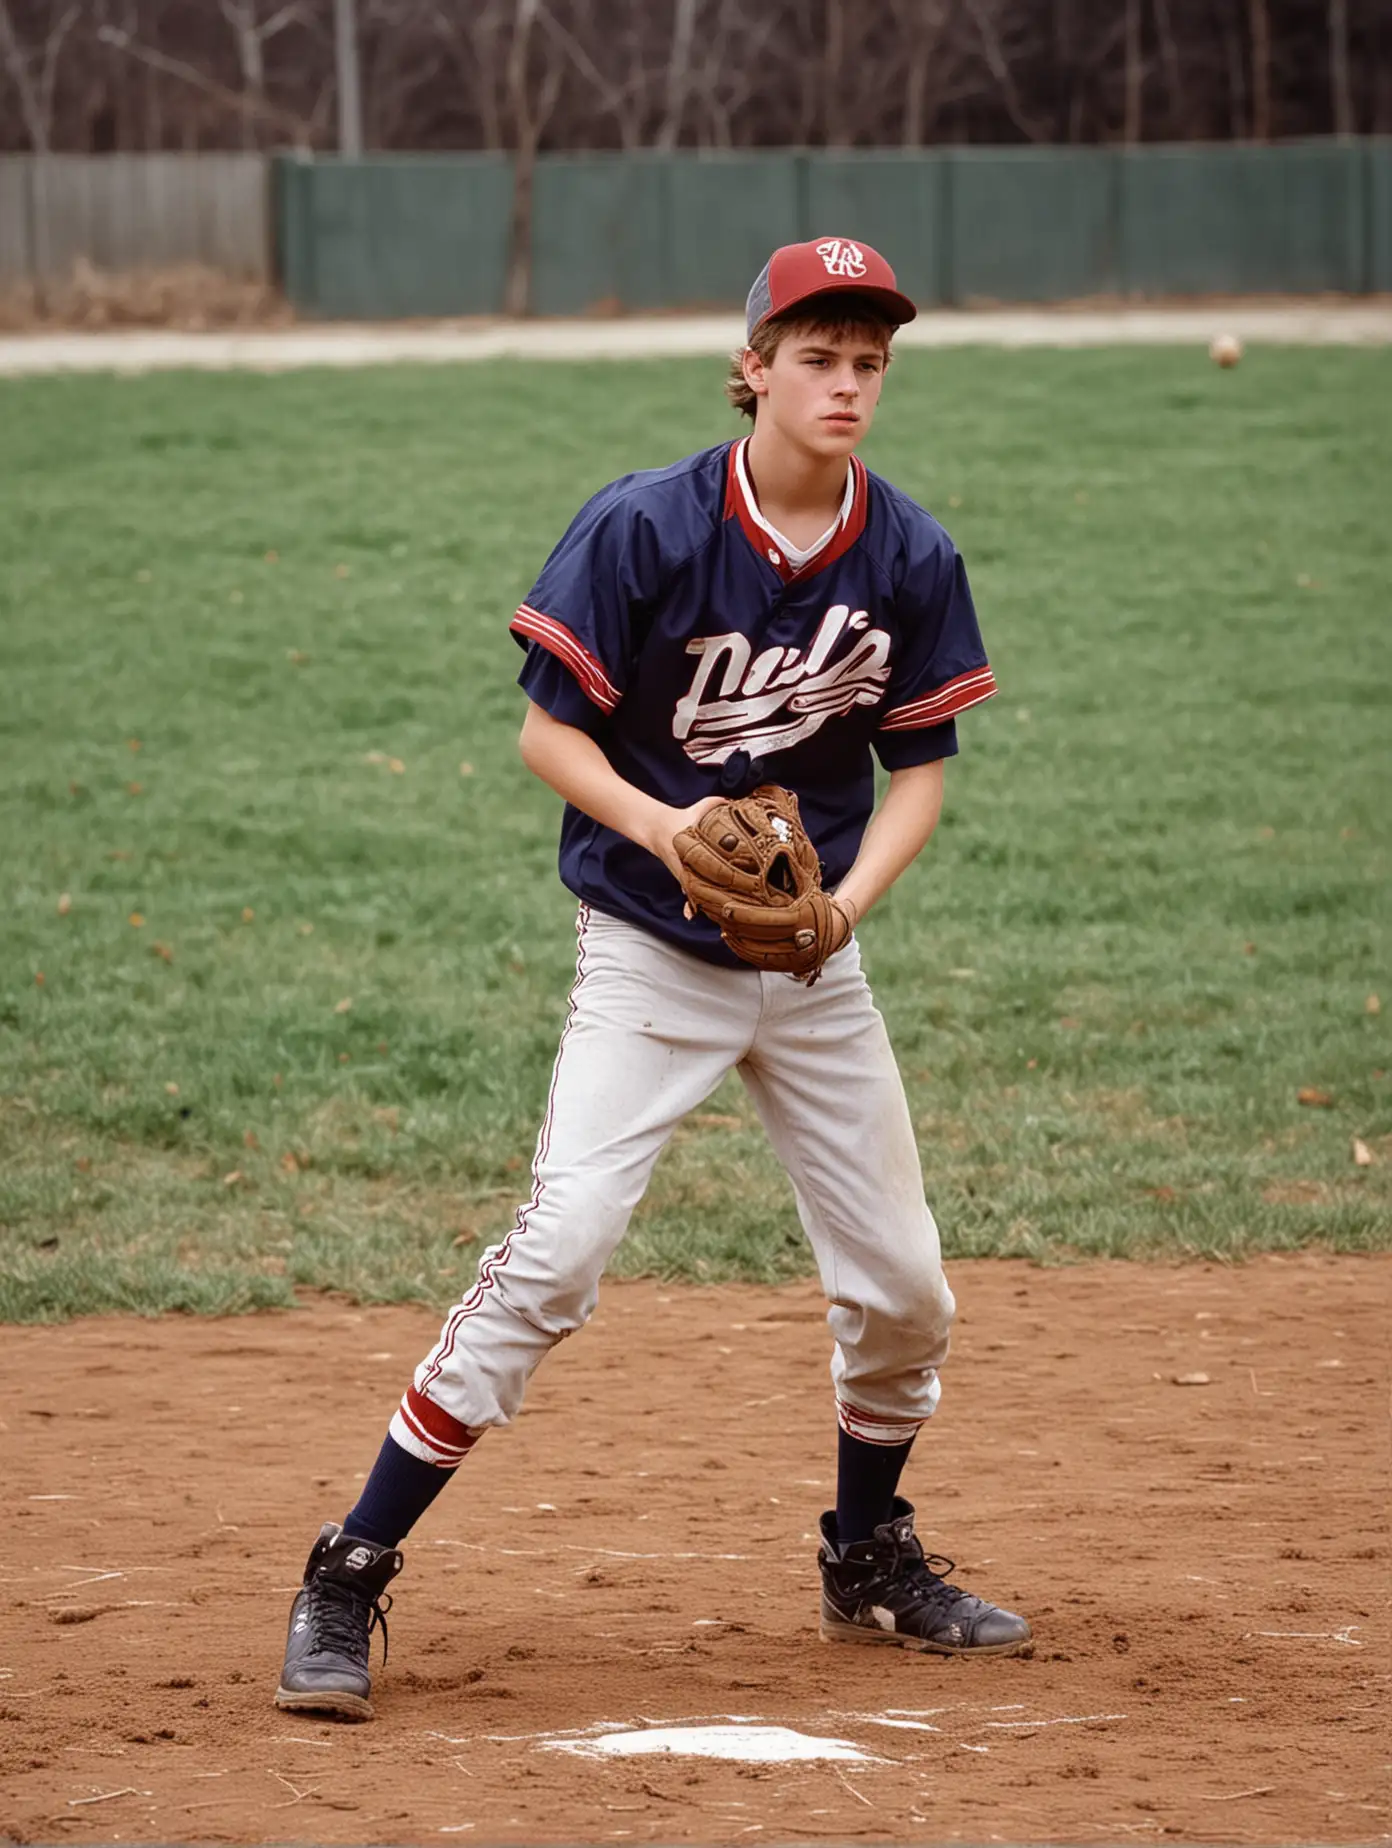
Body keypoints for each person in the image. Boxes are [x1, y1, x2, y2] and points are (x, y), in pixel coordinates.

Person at [276, 235, 1032, 1721]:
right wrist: (665, 824)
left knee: (905, 1295)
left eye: (870, 361)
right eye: (816, 355)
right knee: (556, 1255)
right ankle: (349, 1569)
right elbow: (549, 736)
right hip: (646, 950)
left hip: (813, 973)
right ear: (753, 367)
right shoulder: (645, 528)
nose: (847, 383)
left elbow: (922, 770)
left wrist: (847, 907)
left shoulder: (912, 554)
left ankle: (866, 1551)